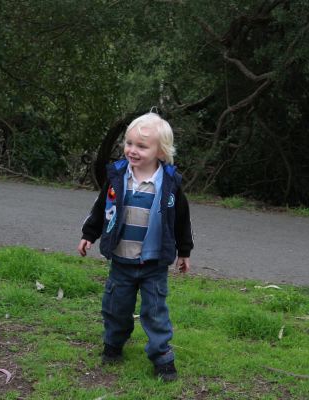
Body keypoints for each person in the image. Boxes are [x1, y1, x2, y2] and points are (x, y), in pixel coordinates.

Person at [77, 112, 193, 382]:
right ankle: (113, 345)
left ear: (160, 151)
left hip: (154, 264)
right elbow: (100, 209)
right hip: (121, 261)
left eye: (141, 146)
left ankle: (162, 357)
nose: (132, 150)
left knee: (155, 313)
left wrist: (184, 251)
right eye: (129, 143)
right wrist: (89, 234)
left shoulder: (170, 184)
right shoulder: (118, 177)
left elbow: (182, 220)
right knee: (116, 307)